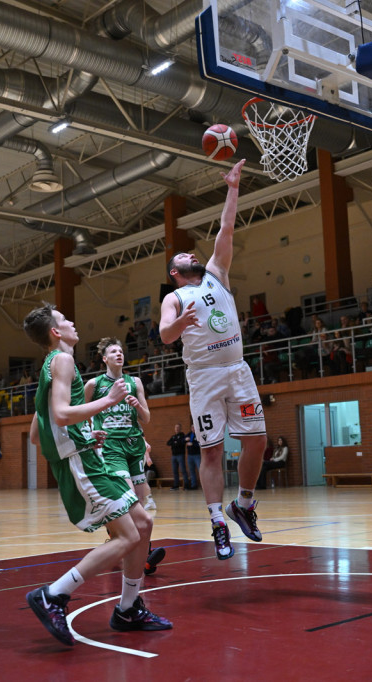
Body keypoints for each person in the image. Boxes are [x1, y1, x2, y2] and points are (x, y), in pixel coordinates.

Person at [22, 304, 171, 646]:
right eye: (65, 319)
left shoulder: (52, 366)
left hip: (86, 453)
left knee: (143, 526)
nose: (72, 321)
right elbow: (60, 415)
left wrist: (87, 433)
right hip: (81, 463)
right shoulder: (63, 361)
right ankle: (54, 595)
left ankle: (129, 609)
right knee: (128, 537)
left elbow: (36, 432)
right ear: (56, 332)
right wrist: (109, 401)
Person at [158, 159, 267, 558]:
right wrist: (180, 322)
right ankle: (217, 521)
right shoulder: (173, 297)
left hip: (237, 370)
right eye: (184, 254)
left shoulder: (217, 273)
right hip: (203, 376)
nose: (192, 253)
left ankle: (245, 504)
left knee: (257, 440)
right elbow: (165, 335)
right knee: (212, 452)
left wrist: (233, 188)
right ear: (175, 271)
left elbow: (226, 228)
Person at [85, 337, 165, 577]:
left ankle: (136, 555)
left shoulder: (135, 382)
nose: (119, 354)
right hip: (111, 449)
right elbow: (79, 414)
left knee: (139, 506)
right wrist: (89, 436)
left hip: (134, 446)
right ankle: (124, 547)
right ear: (104, 358)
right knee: (129, 503)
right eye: (113, 351)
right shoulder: (94, 384)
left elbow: (147, 418)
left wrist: (137, 406)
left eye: (120, 350)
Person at [166, 423, 189, 491]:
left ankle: (186, 485)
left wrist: (176, 442)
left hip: (180, 455)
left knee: (183, 470)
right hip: (174, 456)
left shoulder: (182, 435)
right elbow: (168, 443)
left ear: (180, 428)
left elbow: (181, 442)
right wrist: (175, 442)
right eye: (176, 427)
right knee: (175, 471)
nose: (177, 429)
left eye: (178, 427)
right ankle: (176, 485)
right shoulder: (173, 436)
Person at [186, 424, 201, 490]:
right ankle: (193, 485)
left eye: (194, 427)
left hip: (197, 455)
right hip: (190, 456)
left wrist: (193, 444)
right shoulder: (189, 434)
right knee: (191, 471)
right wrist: (185, 439)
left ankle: (204, 485)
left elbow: (200, 444)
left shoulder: (198, 434)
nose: (193, 428)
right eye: (192, 427)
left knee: (200, 470)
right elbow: (182, 440)